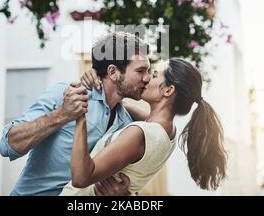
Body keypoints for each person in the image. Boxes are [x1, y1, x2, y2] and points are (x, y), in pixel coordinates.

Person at [0, 32, 151, 195]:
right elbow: (7, 144)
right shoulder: (66, 94)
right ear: (113, 72)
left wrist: (124, 195)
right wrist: (62, 114)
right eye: (141, 71)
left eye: (148, 71)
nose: (147, 78)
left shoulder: (127, 124)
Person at [60, 58, 227, 195]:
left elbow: (81, 178)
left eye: (153, 74)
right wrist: (103, 79)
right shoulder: (168, 133)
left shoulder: (139, 134)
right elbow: (122, 103)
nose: (146, 78)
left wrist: (79, 115)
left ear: (168, 90)